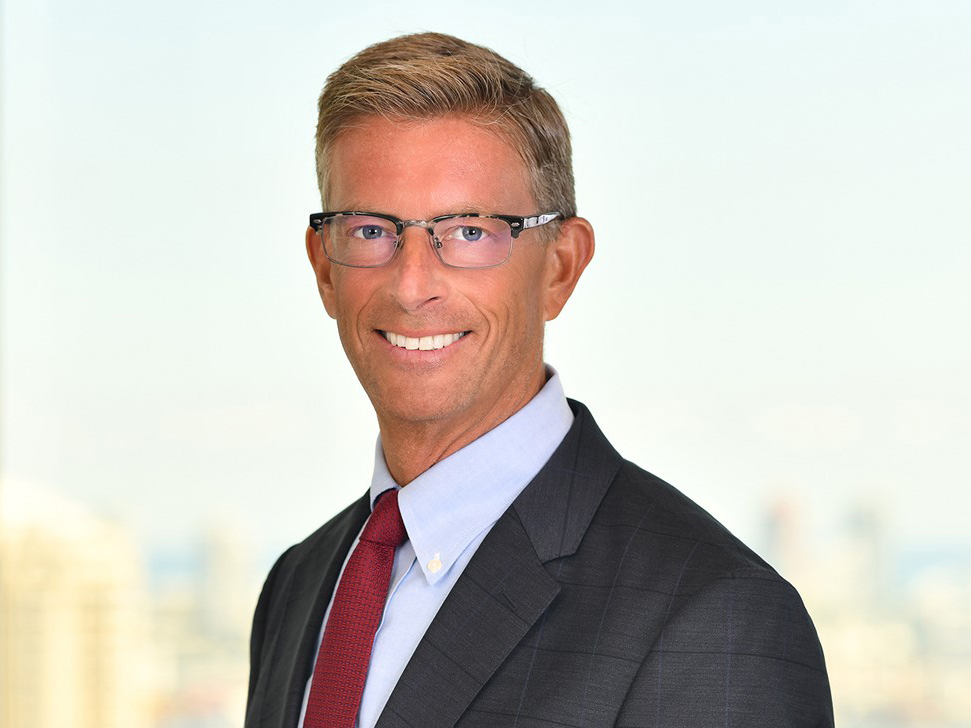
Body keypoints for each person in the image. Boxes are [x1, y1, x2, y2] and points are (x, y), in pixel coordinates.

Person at [245, 32, 833, 728]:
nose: (411, 286)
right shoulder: (301, 583)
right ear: (323, 267)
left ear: (560, 266)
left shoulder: (718, 621)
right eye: (371, 230)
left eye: (469, 232)